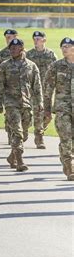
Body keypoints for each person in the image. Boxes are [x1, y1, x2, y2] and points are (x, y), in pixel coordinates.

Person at [0, 39, 43, 172]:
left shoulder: (31, 66)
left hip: (26, 103)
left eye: (16, 47)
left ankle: (11, 156)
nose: (13, 50)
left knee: (25, 133)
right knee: (18, 132)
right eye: (11, 48)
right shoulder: (4, 66)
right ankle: (19, 160)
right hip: (11, 103)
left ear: (22, 48)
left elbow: (37, 86)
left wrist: (40, 103)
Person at [43, 37, 74, 181]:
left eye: (67, 46)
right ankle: (69, 168)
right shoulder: (56, 66)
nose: (64, 48)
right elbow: (48, 89)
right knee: (66, 137)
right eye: (62, 46)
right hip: (63, 109)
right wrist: (47, 110)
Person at [26, 31, 57, 149]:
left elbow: (56, 71)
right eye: (34, 38)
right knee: (37, 113)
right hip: (33, 90)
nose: (36, 40)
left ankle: (39, 129)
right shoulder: (29, 55)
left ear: (44, 40)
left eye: (38, 39)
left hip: (47, 89)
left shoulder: (51, 55)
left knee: (48, 116)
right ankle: (39, 137)